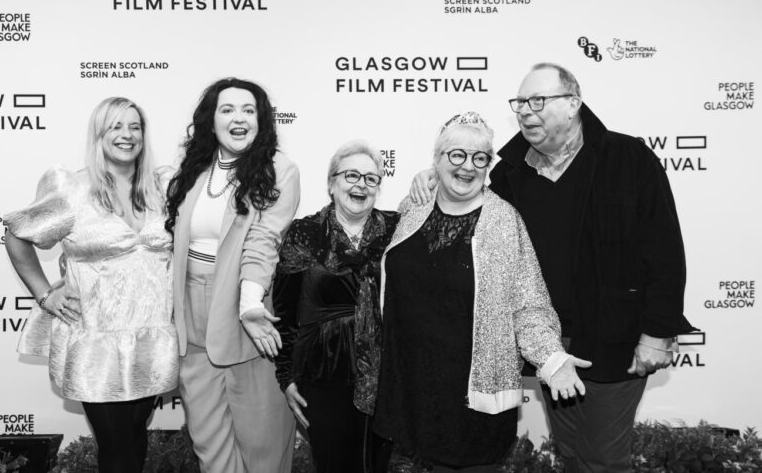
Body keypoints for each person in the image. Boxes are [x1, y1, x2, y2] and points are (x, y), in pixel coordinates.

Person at [413, 64, 695, 472]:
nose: (526, 112)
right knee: (569, 450)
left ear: (573, 104)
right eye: (521, 103)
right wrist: (431, 175)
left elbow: (665, 249)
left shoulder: (628, 157)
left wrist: (658, 332)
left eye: (538, 101)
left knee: (603, 458)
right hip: (550, 346)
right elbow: (468, 199)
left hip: (615, 339)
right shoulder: (510, 172)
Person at [377, 112, 589, 473]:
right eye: (457, 155)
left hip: (472, 397)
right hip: (413, 390)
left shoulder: (503, 221)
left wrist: (551, 359)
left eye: (480, 158)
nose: (468, 166)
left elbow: (529, 303)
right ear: (437, 160)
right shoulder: (413, 209)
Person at [4, 97, 178, 473]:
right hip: (95, 339)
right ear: (99, 135)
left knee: (134, 435)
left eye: (135, 127)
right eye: (116, 127)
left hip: (150, 336)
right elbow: (17, 235)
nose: (127, 135)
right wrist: (45, 293)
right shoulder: (72, 189)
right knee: (115, 443)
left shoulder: (163, 187)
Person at [165, 77, 298, 473]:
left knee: (263, 448)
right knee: (210, 448)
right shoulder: (190, 172)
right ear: (212, 120)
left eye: (248, 110)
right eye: (227, 109)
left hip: (247, 316)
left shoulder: (279, 170)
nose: (238, 118)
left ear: (261, 121)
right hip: (192, 323)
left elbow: (263, 239)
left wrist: (250, 303)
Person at [272, 140, 399, 473]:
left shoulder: (397, 231)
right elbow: (284, 311)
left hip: (385, 375)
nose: (361, 185)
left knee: (377, 466)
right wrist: (286, 377)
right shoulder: (306, 232)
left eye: (371, 179)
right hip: (321, 374)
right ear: (331, 183)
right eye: (351, 175)